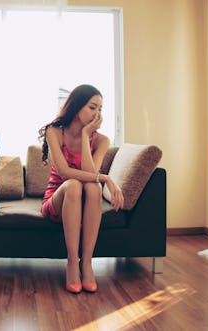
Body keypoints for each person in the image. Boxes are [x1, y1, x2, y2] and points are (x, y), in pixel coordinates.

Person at [38, 84, 124, 294]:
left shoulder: (101, 140)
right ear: (77, 108)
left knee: (92, 188)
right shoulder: (55, 131)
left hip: (86, 204)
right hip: (58, 201)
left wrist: (86, 136)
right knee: (74, 184)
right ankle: (71, 263)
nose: (97, 114)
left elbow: (90, 173)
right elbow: (65, 173)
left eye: (100, 109)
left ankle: (86, 264)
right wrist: (105, 178)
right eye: (92, 107)